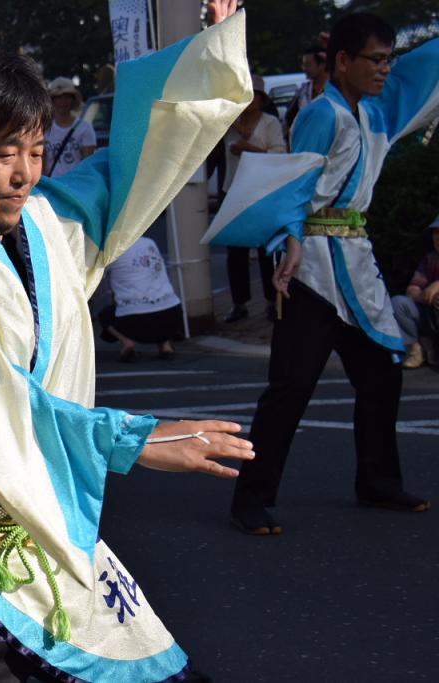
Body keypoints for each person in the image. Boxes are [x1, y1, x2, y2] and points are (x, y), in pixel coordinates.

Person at [0, 4, 254, 681]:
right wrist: (133, 438)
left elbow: (138, 159)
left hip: (47, 548)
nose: (25, 172)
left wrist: (201, 48)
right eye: (5, 152)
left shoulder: (47, 222)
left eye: (35, 151)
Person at [204, 13, 438, 535]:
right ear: (342, 62)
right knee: (291, 388)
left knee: (382, 375)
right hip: (309, 268)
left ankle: (378, 480)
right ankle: (252, 496)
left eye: (387, 60)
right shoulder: (321, 114)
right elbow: (295, 183)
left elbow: (421, 76)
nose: (384, 70)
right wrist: (286, 241)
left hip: (358, 266)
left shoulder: (374, 114)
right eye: (375, 60)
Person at [222, 75, 287, 324]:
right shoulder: (229, 124)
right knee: (235, 251)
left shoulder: (270, 123)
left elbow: (279, 154)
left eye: (252, 96)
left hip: (261, 192)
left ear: (260, 99)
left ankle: (271, 300)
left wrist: (249, 148)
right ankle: (239, 302)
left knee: (265, 250)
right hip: (233, 190)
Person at [99, 236, 184, 362]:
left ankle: (127, 343)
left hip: (135, 322)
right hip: (174, 315)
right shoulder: (150, 242)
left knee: (105, 315)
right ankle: (164, 345)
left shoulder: (111, 250)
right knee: (159, 301)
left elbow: (100, 280)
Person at [392, 216, 439, 369]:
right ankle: (415, 350)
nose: (437, 237)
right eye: (435, 233)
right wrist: (425, 296)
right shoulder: (430, 259)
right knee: (399, 303)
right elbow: (412, 289)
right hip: (430, 314)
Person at [43, 77, 96, 177]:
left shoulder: (85, 128)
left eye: (67, 96)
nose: (63, 101)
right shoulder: (44, 129)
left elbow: (88, 165)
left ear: (73, 100)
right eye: (58, 97)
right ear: (52, 101)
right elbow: (42, 163)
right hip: (52, 185)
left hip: (76, 186)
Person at [284, 44, 329, 132]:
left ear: (322, 65)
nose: (304, 69)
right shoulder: (303, 91)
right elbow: (289, 118)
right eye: (303, 65)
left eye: (308, 65)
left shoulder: (336, 89)